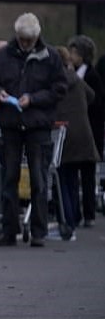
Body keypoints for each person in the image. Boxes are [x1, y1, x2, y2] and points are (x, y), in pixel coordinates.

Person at [0, 13, 67, 247]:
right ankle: (9, 231)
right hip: (11, 124)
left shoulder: (50, 56)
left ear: (37, 36)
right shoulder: (3, 55)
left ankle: (39, 231)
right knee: (8, 177)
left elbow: (59, 88)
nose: (25, 44)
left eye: (29, 40)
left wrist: (34, 99)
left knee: (39, 180)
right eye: (22, 39)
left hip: (38, 125)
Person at [55, 45, 98, 239]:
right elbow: (92, 96)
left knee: (62, 179)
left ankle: (67, 222)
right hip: (83, 134)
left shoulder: (53, 82)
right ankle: (76, 218)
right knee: (74, 180)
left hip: (62, 134)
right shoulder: (78, 80)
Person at [67, 35, 104, 227]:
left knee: (88, 175)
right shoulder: (71, 72)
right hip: (74, 131)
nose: (71, 56)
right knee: (73, 174)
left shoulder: (91, 75)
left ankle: (89, 212)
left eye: (74, 52)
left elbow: (96, 103)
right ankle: (75, 212)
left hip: (89, 130)